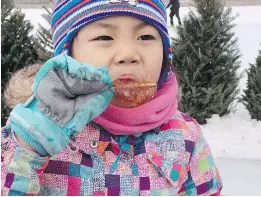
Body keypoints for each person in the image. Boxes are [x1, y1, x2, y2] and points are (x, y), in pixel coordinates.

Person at [1, 0, 222, 195]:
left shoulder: (186, 136)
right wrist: (26, 148)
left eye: (146, 36)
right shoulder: (35, 131)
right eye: (104, 37)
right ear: (67, 57)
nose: (128, 54)